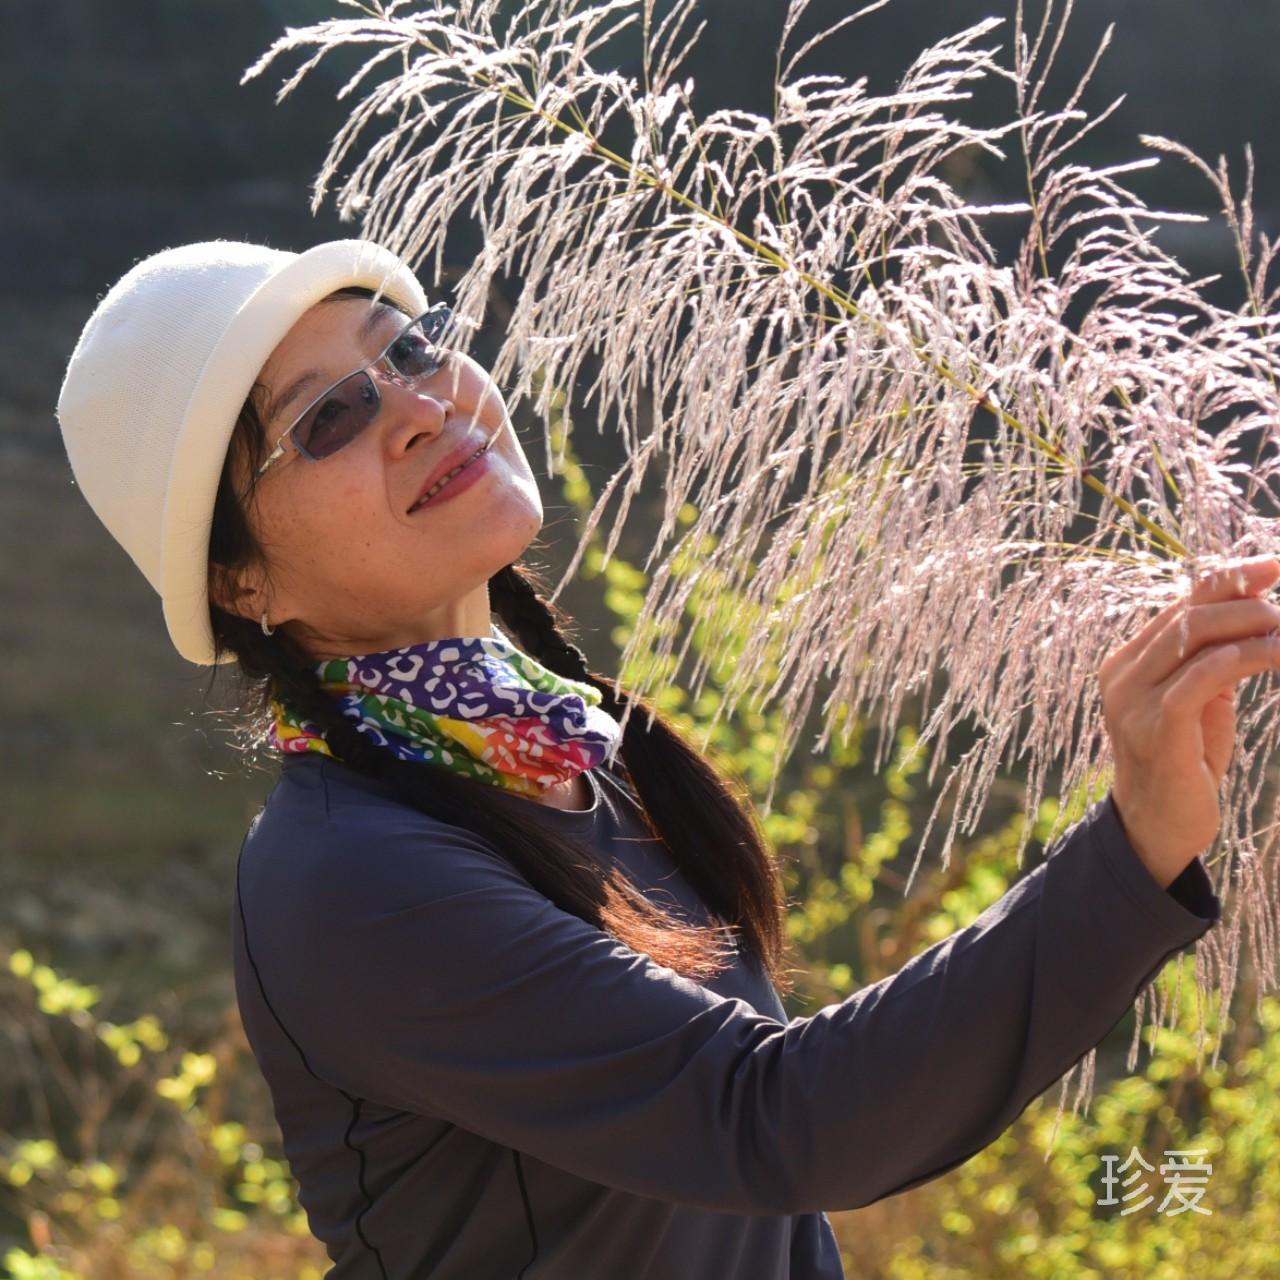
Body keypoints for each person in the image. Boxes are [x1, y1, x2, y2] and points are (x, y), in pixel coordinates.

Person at [58, 236, 1277, 1280]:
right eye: (329, 416)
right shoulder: (352, 879)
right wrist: (1133, 839)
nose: (421, 405)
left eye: (414, 346)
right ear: (241, 583)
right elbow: (775, 1118)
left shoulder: (566, 743)